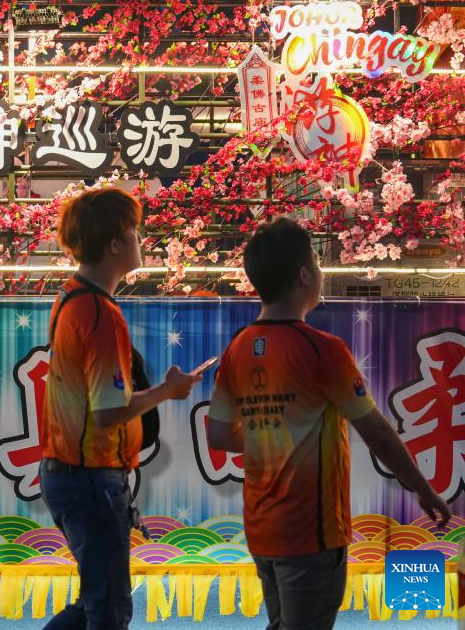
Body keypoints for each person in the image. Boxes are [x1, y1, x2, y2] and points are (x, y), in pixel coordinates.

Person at [207, 217, 451, 629]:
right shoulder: (323, 351)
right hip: (311, 532)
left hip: (262, 528)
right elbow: (375, 431)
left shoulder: (237, 351)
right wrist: (423, 488)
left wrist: (272, 438)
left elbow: (218, 434)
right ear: (304, 275)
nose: (320, 273)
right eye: (317, 266)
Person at [39, 187, 199, 630]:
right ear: (114, 244)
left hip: (74, 472)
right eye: (134, 231)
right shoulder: (98, 312)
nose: (140, 239)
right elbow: (109, 412)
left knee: (94, 602)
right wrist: (169, 390)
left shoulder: (71, 300)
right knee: (108, 609)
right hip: (90, 475)